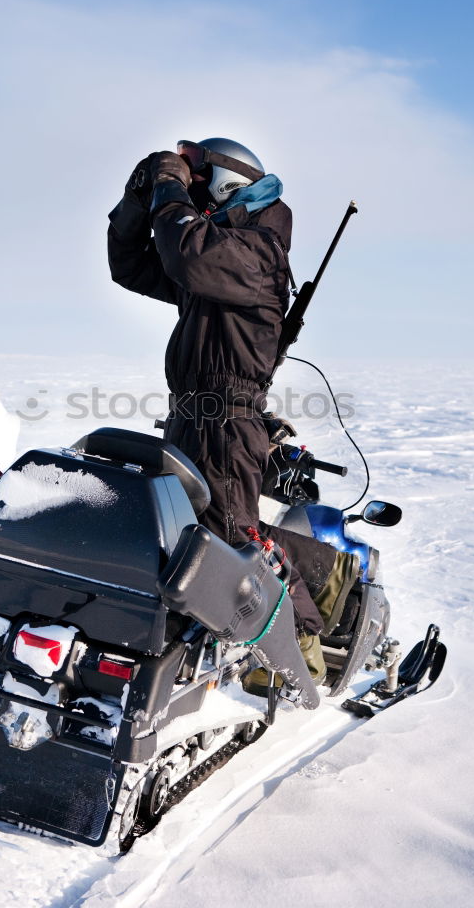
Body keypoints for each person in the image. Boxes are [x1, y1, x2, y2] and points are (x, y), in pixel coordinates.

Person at [107, 138, 346, 689]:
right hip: (190, 421)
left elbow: (186, 252)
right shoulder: (216, 264)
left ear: (224, 186)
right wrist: (138, 199)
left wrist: (170, 188)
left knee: (235, 548)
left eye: (196, 179)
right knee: (180, 537)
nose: (188, 189)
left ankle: (297, 659)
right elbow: (132, 265)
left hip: (225, 428)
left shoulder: (257, 256)